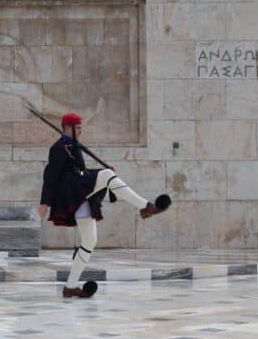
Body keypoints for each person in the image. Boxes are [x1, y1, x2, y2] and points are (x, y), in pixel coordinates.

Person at [38, 112, 171, 298]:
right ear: (67, 128)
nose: (81, 130)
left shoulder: (72, 145)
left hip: (81, 195)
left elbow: (82, 170)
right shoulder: (58, 147)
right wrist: (44, 202)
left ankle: (70, 287)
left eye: (81, 127)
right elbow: (50, 175)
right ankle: (145, 207)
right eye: (77, 127)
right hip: (72, 191)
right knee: (107, 175)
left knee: (90, 242)